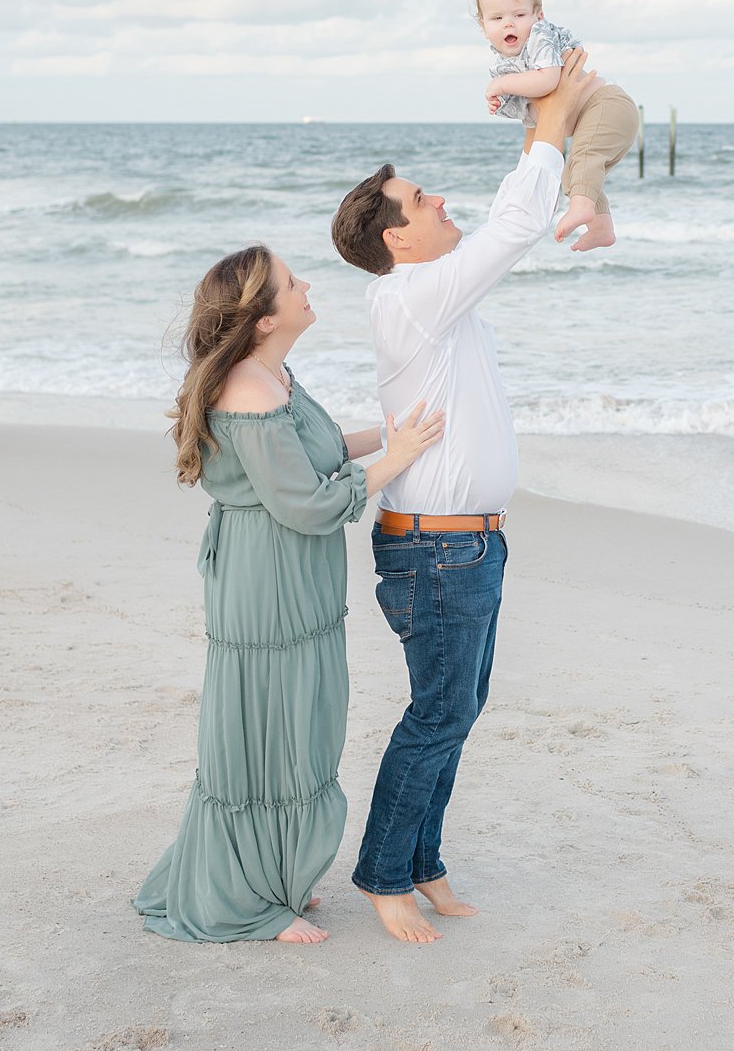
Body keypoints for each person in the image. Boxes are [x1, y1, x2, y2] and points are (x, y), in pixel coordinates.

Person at [329, 47, 599, 942]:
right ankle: (383, 875)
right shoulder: (411, 297)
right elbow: (515, 226)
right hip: (439, 548)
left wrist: (540, 115)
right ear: (395, 239)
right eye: (420, 200)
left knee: (457, 710)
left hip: (467, 542)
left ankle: (422, 861)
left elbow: (504, 225)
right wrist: (553, 120)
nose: (440, 199)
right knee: (438, 713)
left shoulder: (434, 300)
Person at [134, 245, 444, 944]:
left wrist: (397, 435)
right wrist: (396, 460)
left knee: (299, 721)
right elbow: (303, 502)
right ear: (264, 315)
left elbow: (322, 449)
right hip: (266, 577)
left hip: (290, 577)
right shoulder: (246, 388)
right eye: (290, 282)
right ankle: (247, 899)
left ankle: (274, 875)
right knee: (273, 721)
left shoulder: (272, 372)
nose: (306, 285)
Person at [474, 0, 638, 252]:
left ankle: (581, 208)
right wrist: (503, 101)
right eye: (497, 18)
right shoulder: (505, 64)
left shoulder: (540, 38)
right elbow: (532, 115)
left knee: (584, 158)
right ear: (483, 26)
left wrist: (503, 85)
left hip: (605, 105)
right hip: (590, 118)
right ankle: (601, 229)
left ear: (538, 16)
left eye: (519, 15)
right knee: (574, 171)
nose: (509, 24)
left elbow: (548, 79)